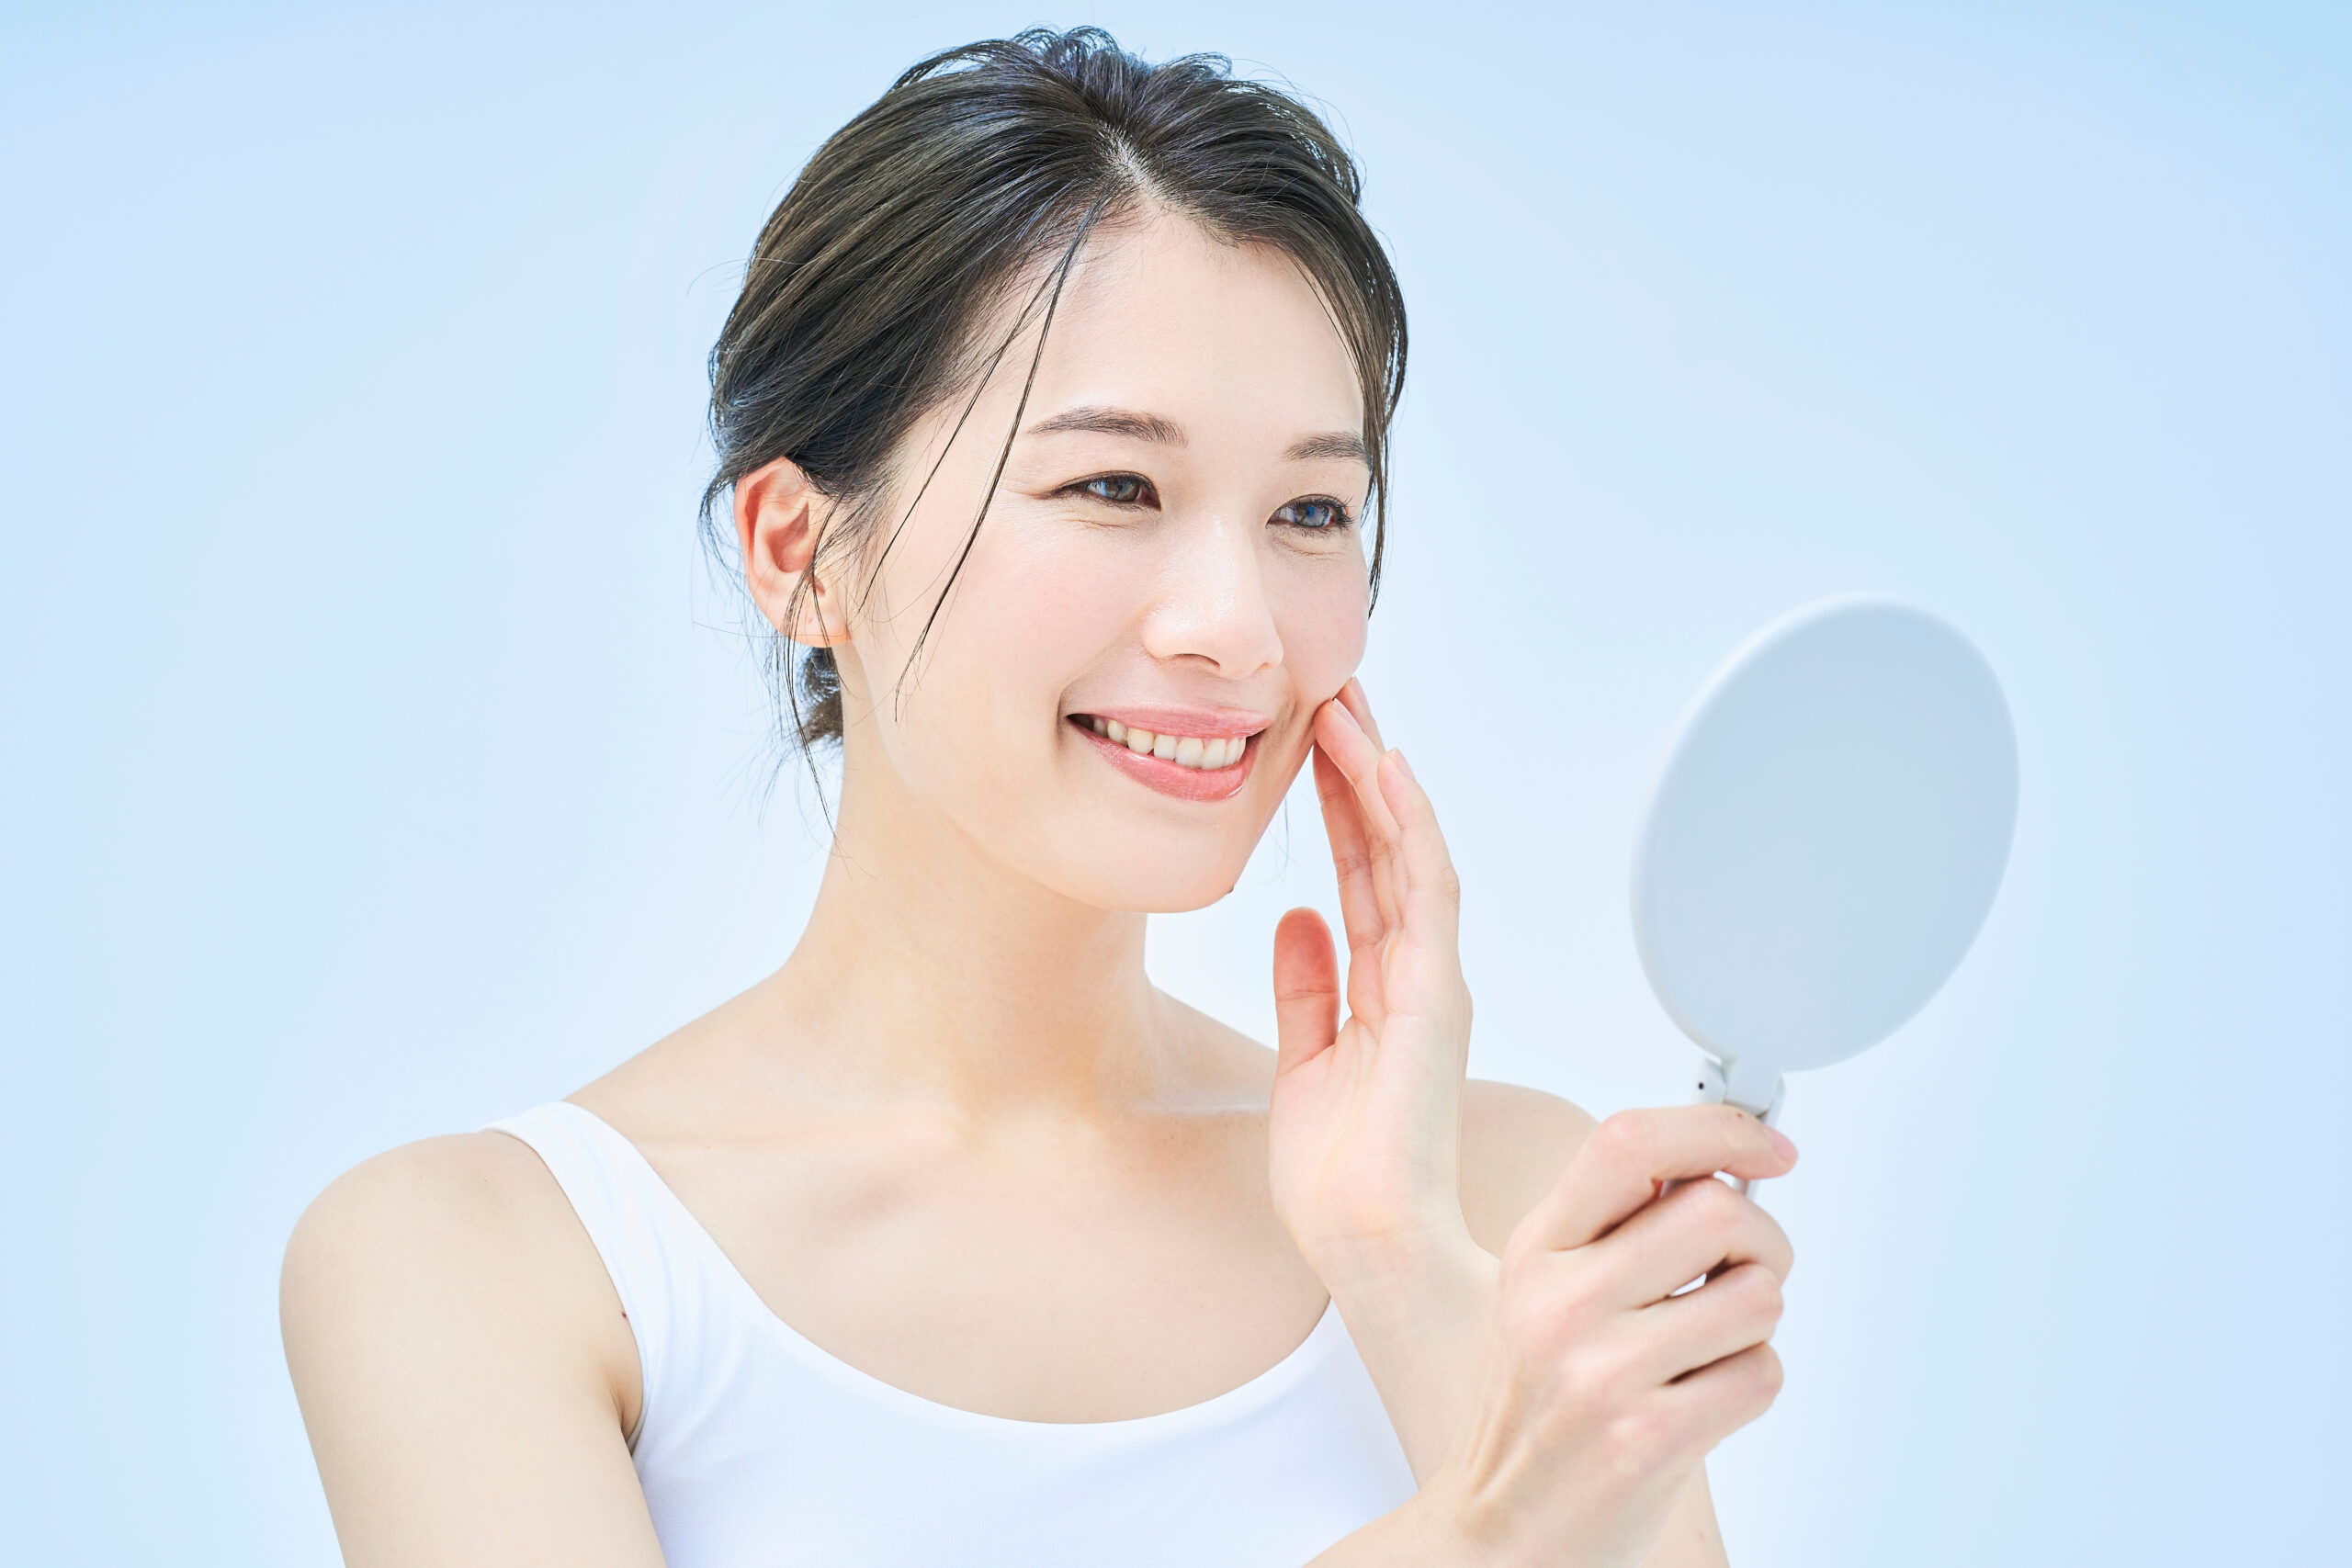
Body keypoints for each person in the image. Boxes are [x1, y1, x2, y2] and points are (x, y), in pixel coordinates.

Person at [280, 28, 1796, 1567]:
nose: (1237, 629)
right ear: (801, 551)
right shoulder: (490, 1260)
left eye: (1310, 510)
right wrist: (1482, 1531)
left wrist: (1404, 1268)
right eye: (1114, 486)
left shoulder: (1500, 1204)